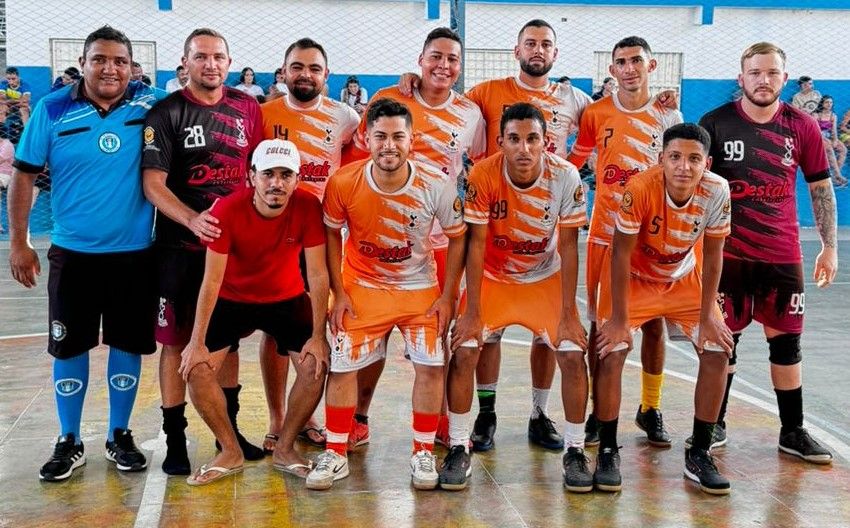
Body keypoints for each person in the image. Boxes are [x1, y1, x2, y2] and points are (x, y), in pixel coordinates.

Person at [399, 19, 592, 453]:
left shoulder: (571, 97)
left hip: (546, 229)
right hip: (494, 220)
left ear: (555, 54)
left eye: (546, 44)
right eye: (530, 43)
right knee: (485, 338)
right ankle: (484, 416)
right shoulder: (485, 94)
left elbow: (602, 119)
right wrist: (413, 82)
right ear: (516, 49)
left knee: (551, 340)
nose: (538, 50)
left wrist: (659, 104)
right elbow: (444, 100)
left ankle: (541, 415)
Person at [7, 25, 162, 482]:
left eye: (119, 61)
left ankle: (119, 433)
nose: (109, 68)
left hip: (135, 255)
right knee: (69, 347)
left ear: (133, 66)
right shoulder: (53, 110)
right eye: (100, 59)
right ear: (84, 62)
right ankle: (69, 439)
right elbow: (23, 176)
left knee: (127, 345)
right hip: (73, 256)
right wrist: (20, 241)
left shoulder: (150, 104)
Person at [305, 98, 465, 491]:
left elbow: (459, 238)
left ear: (413, 139)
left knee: (431, 366)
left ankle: (423, 451)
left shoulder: (437, 184)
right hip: (362, 287)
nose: (389, 145)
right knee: (342, 366)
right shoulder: (344, 181)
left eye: (398, 136)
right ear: (366, 137)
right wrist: (338, 293)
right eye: (380, 136)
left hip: (419, 290)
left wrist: (447, 296)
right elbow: (330, 234)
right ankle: (337, 451)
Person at [699, 42, 837, 464]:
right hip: (729, 255)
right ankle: (714, 422)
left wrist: (828, 247)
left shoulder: (803, 126)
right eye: (755, 72)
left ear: (784, 76)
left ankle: (792, 431)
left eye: (772, 72)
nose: (764, 80)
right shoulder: (715, 123)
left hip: (782, 254)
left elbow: (819, 187)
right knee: (725, 343)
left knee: (787, 344)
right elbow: (697, 189)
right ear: (741, 77)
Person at [350, 26, 486, 449]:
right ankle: (358, 417)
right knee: (372, 339)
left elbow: (478, 164)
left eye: (452, 59)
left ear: (460, 67)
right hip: (380, 240)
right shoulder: (390, 100)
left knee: (437, 339)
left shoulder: (470, 115)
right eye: (436, 57)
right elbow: (358, 154)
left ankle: (439, 421)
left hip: (438, 244)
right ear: (421, 60)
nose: (443, 66)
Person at [446, 103, 589, 492]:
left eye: (532, 139)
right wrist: (471, 310)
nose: (523, 148)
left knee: (573, 354)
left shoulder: (566, 176)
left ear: (547, 143)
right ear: (501, 142)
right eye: (514, 139)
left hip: (544, 277)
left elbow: (572, 247)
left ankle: (572, 448)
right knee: (466, 347)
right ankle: (461, 442)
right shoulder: (483, 174)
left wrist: (569, 311)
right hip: (493, 276)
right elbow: (475, 245)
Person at [142, 27, 265, 476]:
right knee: (175, 344)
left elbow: (256, 172)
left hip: (231, 251)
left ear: (229, 63)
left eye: (218, 57)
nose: (210, 64)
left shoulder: (247, 108)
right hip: (179, 248)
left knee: (227, 342)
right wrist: (192, 219)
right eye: (201, 57)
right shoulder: (166, 112)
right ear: (185, 62)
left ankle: (226, 435)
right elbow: (153, 184)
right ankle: (175, 438)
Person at [179, 139, 329, 485]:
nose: (276, 182)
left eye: (285, 175)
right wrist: (197, 341)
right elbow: (211, 281)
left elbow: (318, 275)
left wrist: (319, 337)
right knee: (196, 370)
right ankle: (229, 451)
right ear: (251, 177)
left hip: (286, 299)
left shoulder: (307, 207)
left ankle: (286, 446)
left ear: (296, 179)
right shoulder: (227, 210)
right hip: (233, 300)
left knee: (315, 365)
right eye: (268, 174)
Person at [595, 123, 734, 495]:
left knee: (718, 350)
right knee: (612, 351)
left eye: (693, 159)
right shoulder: (639, 189)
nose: (683, 167)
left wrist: (707, 317)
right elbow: (620, 254)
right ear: (662, 159)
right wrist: (621, 321)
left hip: (683, 279)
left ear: (707, 163)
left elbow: (715, 255)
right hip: (635, 277)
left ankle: (700, 452)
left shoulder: (717, 191)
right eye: (675, 157)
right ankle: (607, 449)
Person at [567, 36, 683, 448]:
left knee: (654, 326)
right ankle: (602, 411)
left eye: (637, 60)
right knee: (603, 328)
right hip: (605, 235)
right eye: (621, 62)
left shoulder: (669, 115)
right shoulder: (596, 114)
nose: (629, 68)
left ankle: (650, 408)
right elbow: (574, 163)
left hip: (654, 239)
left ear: (651, 67)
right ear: (611, 70)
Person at [258, 37, 360, 452]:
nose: (305, 75)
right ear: (283, 73)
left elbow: (356, 175)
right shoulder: (263, 116)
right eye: (297, 67)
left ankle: (308, 416)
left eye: (314, 68)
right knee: (274, 331)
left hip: (324, 239)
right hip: (274, 242)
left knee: (317, 327)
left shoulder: (347, 117)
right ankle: (277, 417)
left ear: (327, 75)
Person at [812, 95, 847, 186]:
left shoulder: (833, 115)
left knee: (843, 149)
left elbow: (834, 130)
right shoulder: (816, 115)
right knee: (829, 149)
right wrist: (826, 140)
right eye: (827, 102)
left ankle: (834, 176)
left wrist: (835, 140)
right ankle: (838, 175)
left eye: (831, 102)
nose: (829, 104)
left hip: (829, 136)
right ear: (822, 103)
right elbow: (815, 131)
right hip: (817, 137)